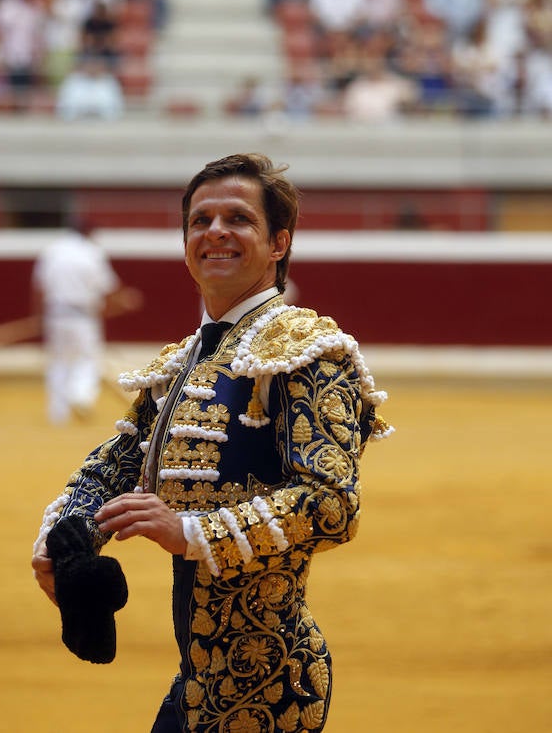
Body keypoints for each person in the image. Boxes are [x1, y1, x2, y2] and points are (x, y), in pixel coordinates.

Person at [32, 153, 392, 731]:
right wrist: (65, 542)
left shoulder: (309, 351)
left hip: (270, 690)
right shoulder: (186, 360)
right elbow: (115, 466)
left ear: (279, 243)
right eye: (200, 221)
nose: (215, 231)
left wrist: (190, 531)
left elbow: (332, 505)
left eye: (237, 219)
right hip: (200, 683)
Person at [32, 218, 141, 423]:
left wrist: (40, 316)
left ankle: (58, 414)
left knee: (59, 362)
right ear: (89, 234)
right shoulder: (92, 253)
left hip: (55, 314)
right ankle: (81, 397)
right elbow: (108, 288)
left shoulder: (53, 250)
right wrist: (120, 303)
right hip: (83, 316)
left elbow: (39, 288)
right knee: (87, 359)